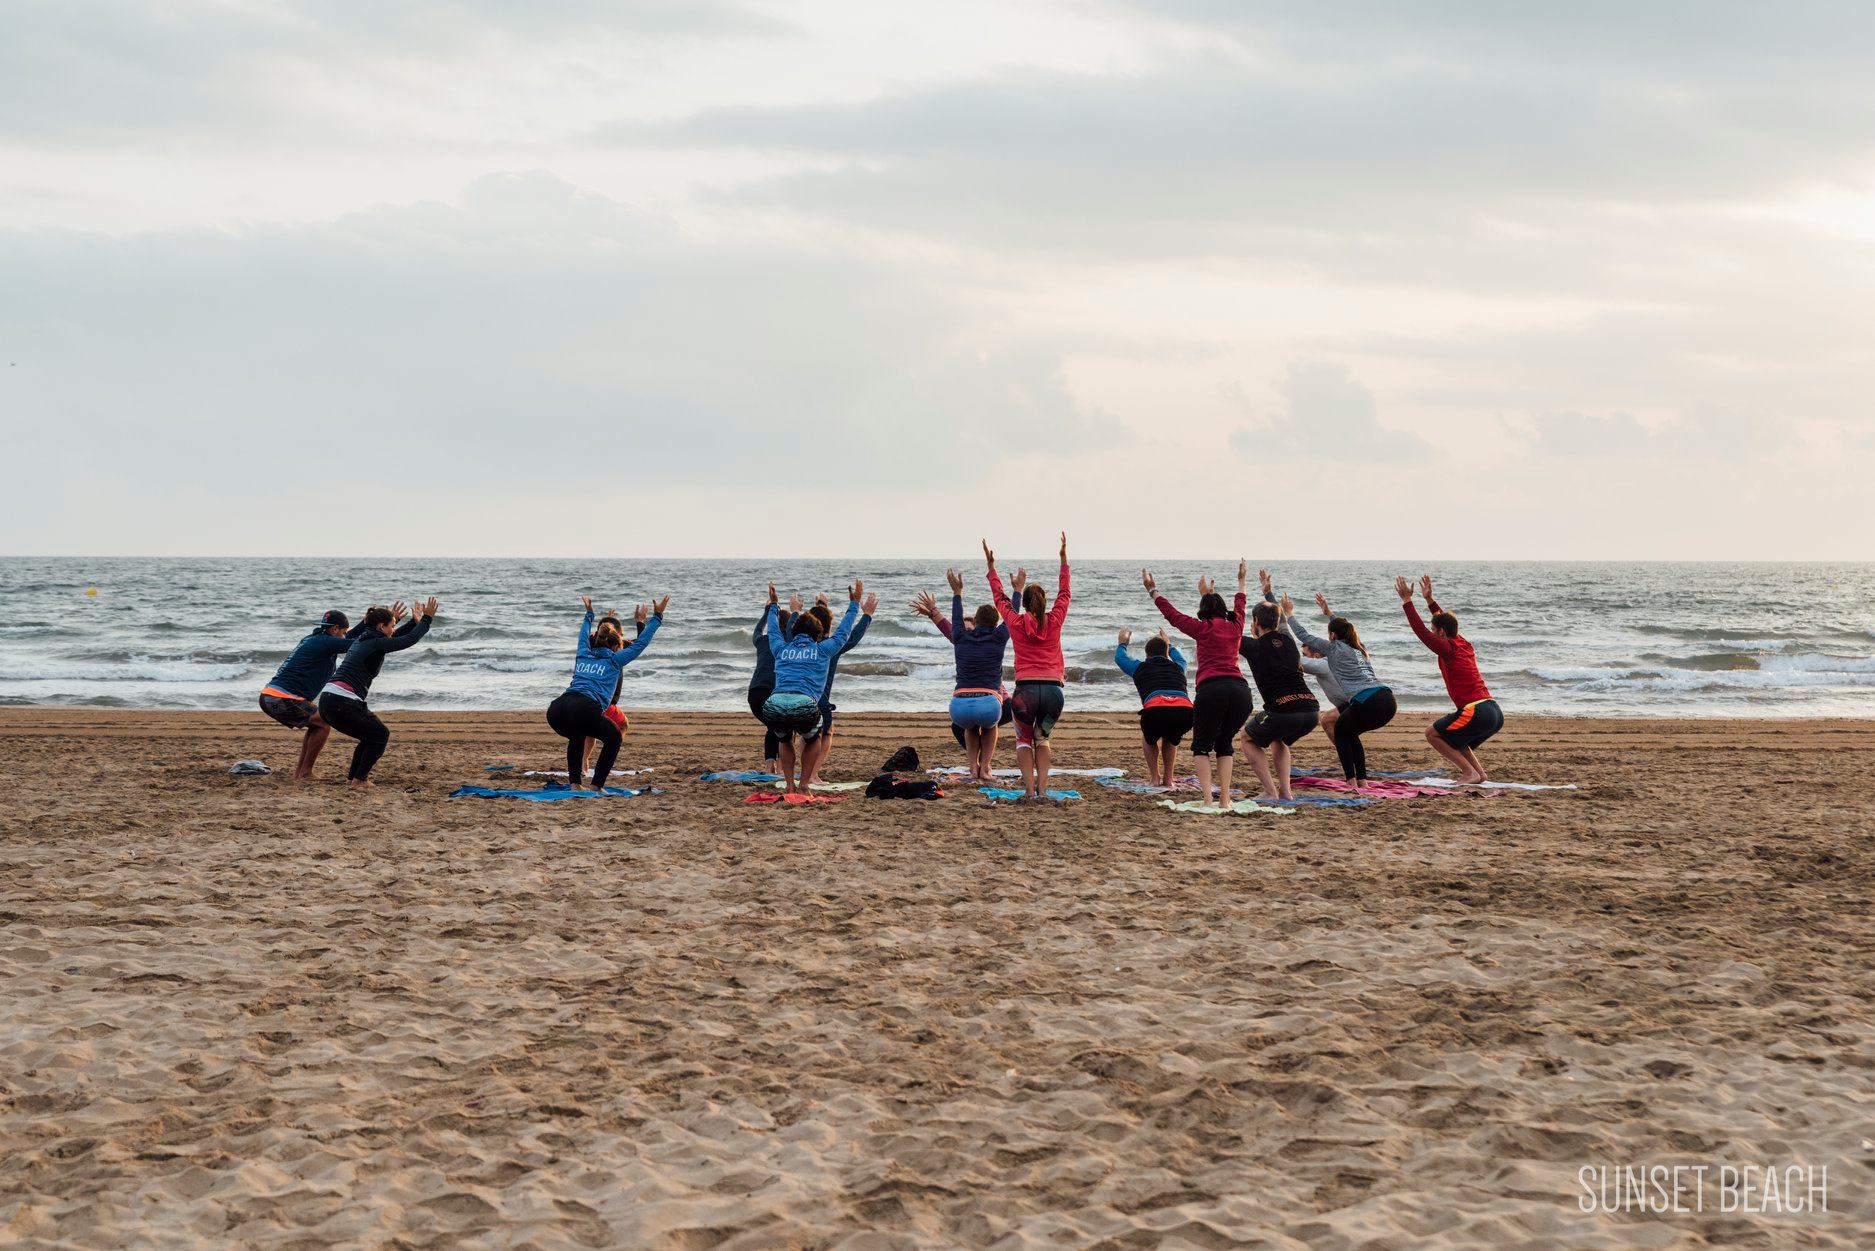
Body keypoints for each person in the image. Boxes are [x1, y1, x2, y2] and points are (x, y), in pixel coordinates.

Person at [1145, 561, 1251, 807]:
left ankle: (1207, 800)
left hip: (1212, 689)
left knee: (1201, 746)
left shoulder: (1201, 628)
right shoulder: (1236, 626)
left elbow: (1172, 616)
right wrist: (1241, 578)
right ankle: (1224, 800)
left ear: (1203, 611)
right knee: (1224, 745)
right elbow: (1241, 601)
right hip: (1240, 692)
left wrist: (1153, 591)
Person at [1278, 589, 1396, 789]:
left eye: (1330, 633)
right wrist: (1328, 613)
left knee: (1341, 732)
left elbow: (1303, 635)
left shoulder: (1333, 648)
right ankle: (1362, 782)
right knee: (1349, 733)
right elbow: (1346, 628)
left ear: (1332, 635)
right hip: (1388, 699)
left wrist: (1289, 614)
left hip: (1368, 700)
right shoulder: (1359, 647)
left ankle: (1351, 781)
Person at [316, 597, 439, 788]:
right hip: (342, 702)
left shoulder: (366, 638)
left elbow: (394, 638)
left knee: (371, 736)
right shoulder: (374, 642)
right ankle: (359, 780)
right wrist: (427, 619)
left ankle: (354, 779)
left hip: (328, 701)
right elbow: (408, 640)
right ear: (381, 626)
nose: (393, 629)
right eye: (391, 625)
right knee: (380, 735)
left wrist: (413, 622)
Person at [983, 533, 1070, 798]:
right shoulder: (1054, 619)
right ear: (1043, 601)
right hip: (1054, 692)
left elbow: (1000, 599)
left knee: (1023, 740)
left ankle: (1030, 792)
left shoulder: (1016, 622)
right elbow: (1065, 593)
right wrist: (1064, 560)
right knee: (1042, 739)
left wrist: (991, 568)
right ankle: (1043, 791)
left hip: (1026, 692)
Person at [258, 605, 389, 779]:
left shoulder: (319, 639)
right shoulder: (324, 642)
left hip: (273, 696)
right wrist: (381, 629)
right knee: (323, 723)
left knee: (316, 724)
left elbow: (349, 638)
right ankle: (305, 772)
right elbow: (359, 644)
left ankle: (301, 772)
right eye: (343, 631)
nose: (344, 634)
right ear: (335, 629)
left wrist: (366, 622)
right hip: (280, 698)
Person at [760, 580, 866, 794]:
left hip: (774, 705)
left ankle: (789, 786)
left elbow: (773, 630)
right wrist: (854, 605)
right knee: (813, 739)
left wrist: (774, 606)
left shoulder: (780, 648)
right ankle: (804, 785)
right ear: (818, 635)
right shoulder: (822, 650)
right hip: (804, 704)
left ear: (794, 630)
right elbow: (843, 633)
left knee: (784, 739)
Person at [550, 595, 666, 791]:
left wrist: (589, 614)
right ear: (614, 646)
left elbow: (582, 633)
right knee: (613, 738)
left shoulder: (583, 652)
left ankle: (575, 785)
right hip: (584, 707)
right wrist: (658, 617)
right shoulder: (614, 660)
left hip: (556, 709)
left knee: (577, 735)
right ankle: (596, 786)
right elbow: (641, 644)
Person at [1397, 573, 1502, 783]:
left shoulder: (1447, 649)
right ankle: (1479, 774)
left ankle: (1469, 773)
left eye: (1434, 630)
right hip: (1493, 711)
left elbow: (1420, 630)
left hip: (1475, 711)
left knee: (1433, 734)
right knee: (1456, 739)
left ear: (1442, 633)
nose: (1432, 633)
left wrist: (1408, 601)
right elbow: (1443, 621)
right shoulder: (1463, 643)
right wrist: (1429, 600)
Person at [912, 567, 1011, 782]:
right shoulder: (998, 637)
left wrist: (957, 593)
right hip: (988, 704)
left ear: (975, 622)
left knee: (970, 727)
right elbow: (1012, 615)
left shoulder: (960, 637)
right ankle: (984, 769)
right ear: (995, 625)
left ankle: (973, 769)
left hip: (959, 706)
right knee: (990, 725)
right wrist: (1017, 591)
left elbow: (953, 620)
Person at [1235, 572, 1318, 801]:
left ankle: (1271, 792)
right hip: (1311, 710)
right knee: (1277, 739)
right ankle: (1286, 792)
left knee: (1247, 739)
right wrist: (1267, 592)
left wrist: (1213, 598)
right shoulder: (1289, 640)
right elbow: (1281, 619)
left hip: (1284, 711)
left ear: (1255, 624)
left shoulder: (1253, 646)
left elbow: (1228, 630)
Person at [800, 591, 879, 786]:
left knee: (806, 734)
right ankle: (813, 774)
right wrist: (867, 615)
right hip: (820, 700)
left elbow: (819, 621)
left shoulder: (800, 645)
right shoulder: (830, 647)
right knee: (826, 733)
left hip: (800, 698)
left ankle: (805, 772)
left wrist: (819, 605)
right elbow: (852, 637)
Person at [1114, 626, 1192, 787]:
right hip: (1184, 711)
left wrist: (1122, 643)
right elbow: (1181, 658)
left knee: (1149, 740)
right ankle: (1168, 779)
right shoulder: (1179, 666)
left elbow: (1120, 658)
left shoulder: (1139, 667)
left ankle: (1155, 778)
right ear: (1166, 654)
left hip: (1155, 711)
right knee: (1170, 739)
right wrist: (1169, 644)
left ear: (1147, 654)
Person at [579, 606, 649, 777]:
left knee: (590, 731)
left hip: (586, 698)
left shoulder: (591, 645)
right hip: (605, 703)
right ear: (616, 636)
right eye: (621, 633)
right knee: (622, 724)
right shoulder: (619, 648)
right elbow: (641, 642)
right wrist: (640, 622)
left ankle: (584, 762)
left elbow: (597, 634)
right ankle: (608, 753)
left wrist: (605, 621)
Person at [748, 599, 796, 773]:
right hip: (774, 692)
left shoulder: (762, 641)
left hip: (754, 693)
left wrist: (768, 612)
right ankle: (782, 767)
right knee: (784, 728)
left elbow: (757, 630)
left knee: (774, 727)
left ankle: (769, 766)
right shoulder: (789, 644)